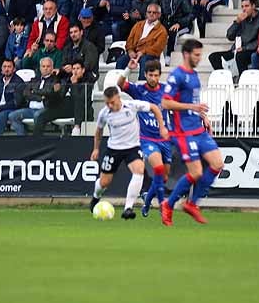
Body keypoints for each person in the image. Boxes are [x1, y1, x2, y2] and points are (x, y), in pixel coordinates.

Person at [160, 39, 223, 226]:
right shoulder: (176, 76)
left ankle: (192, 204)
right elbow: (165, 103)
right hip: (183, 132)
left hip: (198, 128)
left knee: (217, 163)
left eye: (200, 54)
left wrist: (203, 116)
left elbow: (194, 102)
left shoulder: (194, 75)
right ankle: (169, 204)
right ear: (186, 54)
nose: (199, 58)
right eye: (196, 55)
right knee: (196, 172)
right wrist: (192, 107)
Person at [89, 84, 168, 221]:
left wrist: (162, 127)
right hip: (114, 149)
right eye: (107, 103)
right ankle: (95, 198)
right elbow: (99, 131)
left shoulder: (132, 106)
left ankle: (128, 208)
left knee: (139, 170)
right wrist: (96, 148)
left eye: (112, 102)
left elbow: (155, 108)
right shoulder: (104, 113)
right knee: (104, 182)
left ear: (118, 98)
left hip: (132, 147)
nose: (110, 106)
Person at [119, 60, 175, 217]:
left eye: (156, 75)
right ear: (145, 75)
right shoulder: (138, 90)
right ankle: (163, 204)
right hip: (146, 139)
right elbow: (120, 84)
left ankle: (147, 202)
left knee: (163, 177)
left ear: (159, 75)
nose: (153, 78)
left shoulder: (166, 91)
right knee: (157, 169)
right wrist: (127, 70)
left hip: (164, 139)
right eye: (150, 75)